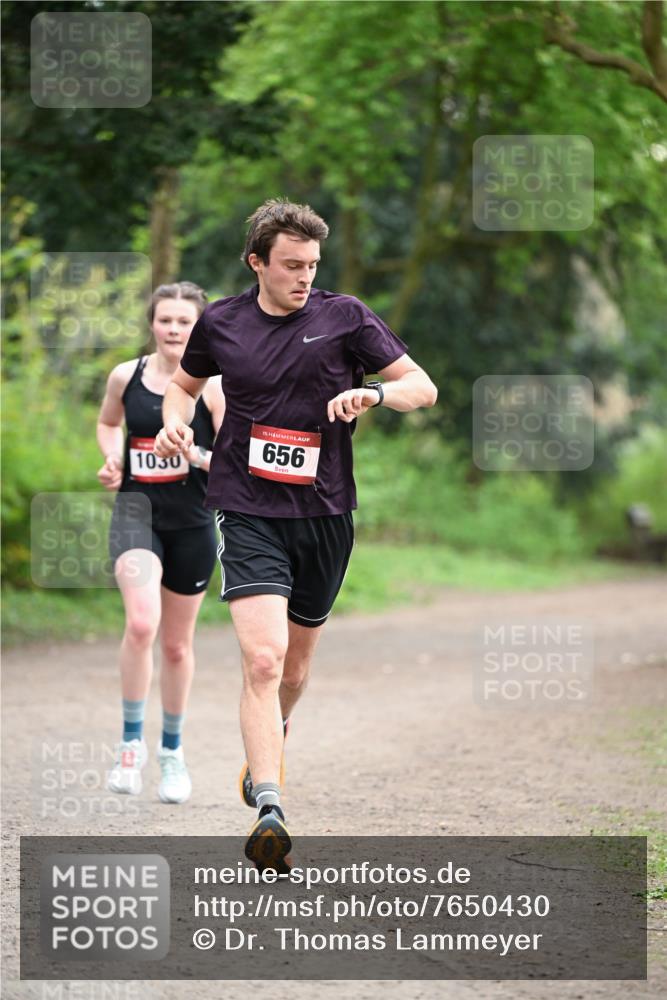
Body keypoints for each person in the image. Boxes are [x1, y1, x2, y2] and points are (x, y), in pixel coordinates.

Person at [154, 200, 437, 864]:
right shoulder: (221, 322)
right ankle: (271, 805)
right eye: (290, 266)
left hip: (326, 513)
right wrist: (174, 418)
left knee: (296, 665)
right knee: (262, 658)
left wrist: (373, 395)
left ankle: (270, 741)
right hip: (246, 508)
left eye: (311, 265)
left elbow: (420, 386)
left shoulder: (345, 318)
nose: (303, 277)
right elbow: (182, 386)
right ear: (256, 262)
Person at [97, 282, 225, 804]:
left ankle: (172, 752)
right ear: (152, 323)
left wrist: (194, 455)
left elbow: (235, 463)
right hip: (136, 513)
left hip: (194, 521)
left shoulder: (215, 386)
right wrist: (113, 458)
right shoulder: (126, 377)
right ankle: (131, 747)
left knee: (175, 644)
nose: (174, 329)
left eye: (185, 322)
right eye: (165, 320)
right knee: (141, 623)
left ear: (201, 328)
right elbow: (109, 424)